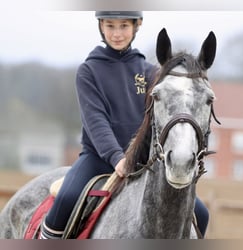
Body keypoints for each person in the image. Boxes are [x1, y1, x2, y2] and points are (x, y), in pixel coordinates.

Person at [40, 11, 209, 239]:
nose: (117, 33)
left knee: (201, 213)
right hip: (98, 159)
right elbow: (95, 121)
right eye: (110, 26)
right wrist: (116, 157)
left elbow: (157, 120)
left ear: (136, 25)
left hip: (142, 162)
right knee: (66, 200)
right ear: (101, 26)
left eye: (123, 26)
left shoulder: (150, 72)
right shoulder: (89, 71)